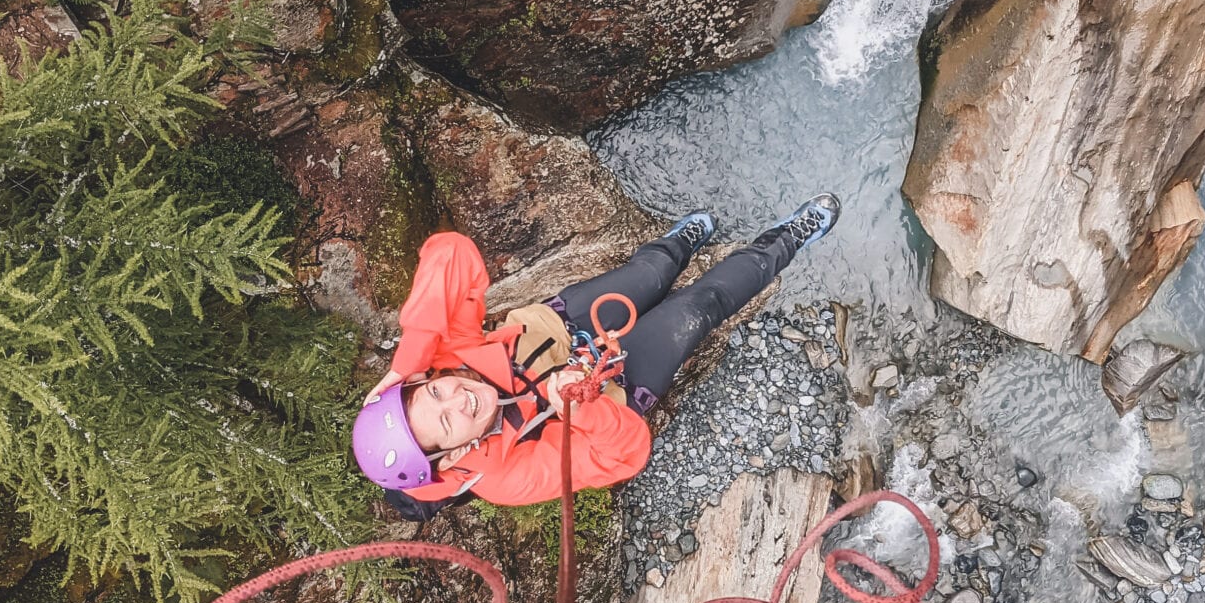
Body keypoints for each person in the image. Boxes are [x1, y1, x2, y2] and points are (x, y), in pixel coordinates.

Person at [351, 197, 841, 518]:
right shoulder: (504, 478)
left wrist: (411, 355)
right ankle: (786, 239)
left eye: (433, 391)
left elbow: (452, 252)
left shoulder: (442, 355)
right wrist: (576, 405)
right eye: (447, 422)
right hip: (612, 387)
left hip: (562, 329)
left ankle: (681, 243)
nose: (457, 397)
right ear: (454, 454)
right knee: (700, 306)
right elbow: (624, 455)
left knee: (649, 272)